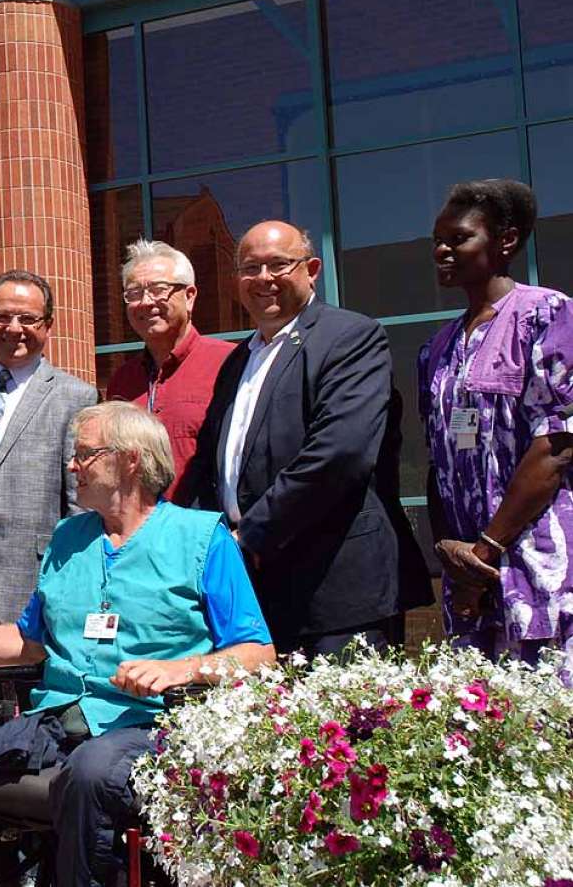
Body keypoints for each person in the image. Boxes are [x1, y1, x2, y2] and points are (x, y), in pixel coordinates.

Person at [0, 401, 275, 887]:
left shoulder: (202, 538)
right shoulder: (68, 538)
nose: (72, 465)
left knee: (91, 775)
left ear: (131, 460)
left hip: (153, 724)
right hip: (60, 721)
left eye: (85, 454)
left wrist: (180, 669)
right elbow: (28, 642)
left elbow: (258, 654)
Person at [183, 222, 431, 656]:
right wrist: (196, 542)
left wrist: (252, 534)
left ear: (311, 269)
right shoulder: (237, 360)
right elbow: (208, 467)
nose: (264, 278)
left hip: (336, 592)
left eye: (279, 264)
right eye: (250, 267)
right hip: (253, 594)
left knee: (349, 724)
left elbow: (340, 454)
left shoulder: (351, 337)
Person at [418, 179, 573, 683]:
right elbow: (438, 460)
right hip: (470, 586)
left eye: (458, 238)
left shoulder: (546, 315)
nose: (442, 250)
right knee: (488, 739)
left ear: (505, 241)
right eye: (437, 240)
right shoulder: (437, 348)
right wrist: (448, 550)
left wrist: (485, 551)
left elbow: (555, 447)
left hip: (534, 568)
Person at [0, 269, 96, 622]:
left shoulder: (75, 397)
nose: (14, 328)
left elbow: (80, 504)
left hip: (32, 578)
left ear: (48, 325)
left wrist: (73, 587)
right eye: (2, 316)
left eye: (27, 318)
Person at [105, 240, 235, 505]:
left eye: (158, 290)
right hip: (137, 534)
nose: (145, 302)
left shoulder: (230, 363)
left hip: (206, 530)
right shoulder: (122, 380)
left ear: (190, 296)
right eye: (134, 293)